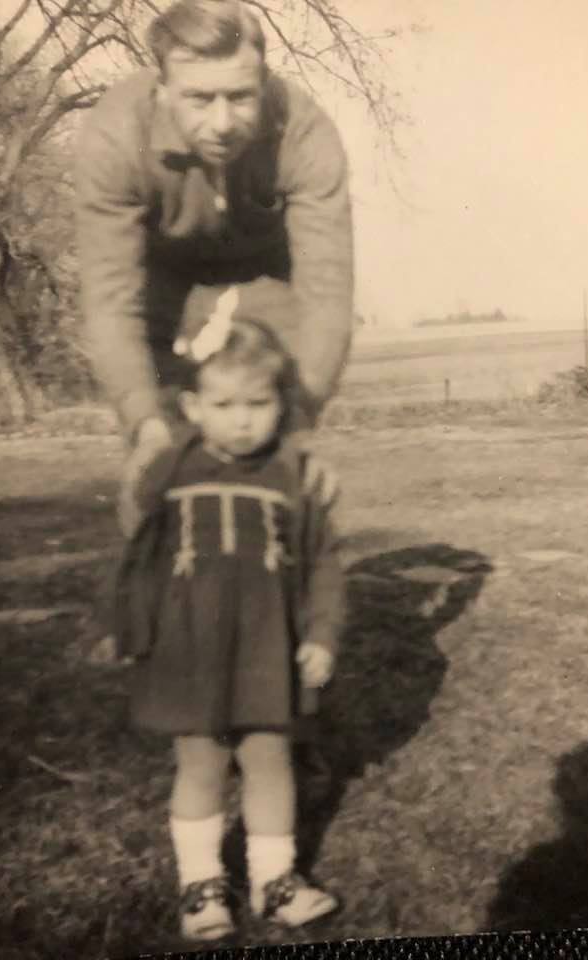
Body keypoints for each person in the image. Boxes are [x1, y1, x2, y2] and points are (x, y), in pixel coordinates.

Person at [109, 291, 344, 941]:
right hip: (191, 653)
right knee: (202, 765)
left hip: (270, 648)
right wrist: (130, 628)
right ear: (192, 408)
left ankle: (275, 881)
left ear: (283, 407)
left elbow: (323, 562)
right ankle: (201, 886)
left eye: (258, 404)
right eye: (223, 405)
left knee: (271, 761)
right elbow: (137, 545)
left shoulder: (292, 475)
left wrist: (322, 634)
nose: (242, 422)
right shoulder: (172, 470)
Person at [75, 0, 354, 530]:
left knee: (278, 455)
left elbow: (327, 293)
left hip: (268, 279)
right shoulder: (114, 134)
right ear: (162, 90)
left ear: (264, 83)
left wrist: (298, 419)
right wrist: (145, 425)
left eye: (241, 97)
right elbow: (112, 302)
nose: (223, 123)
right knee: (162, 466)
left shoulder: (305, 131)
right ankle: (157, 597)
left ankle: (289, 595)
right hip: (162, 282)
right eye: (200, 99)